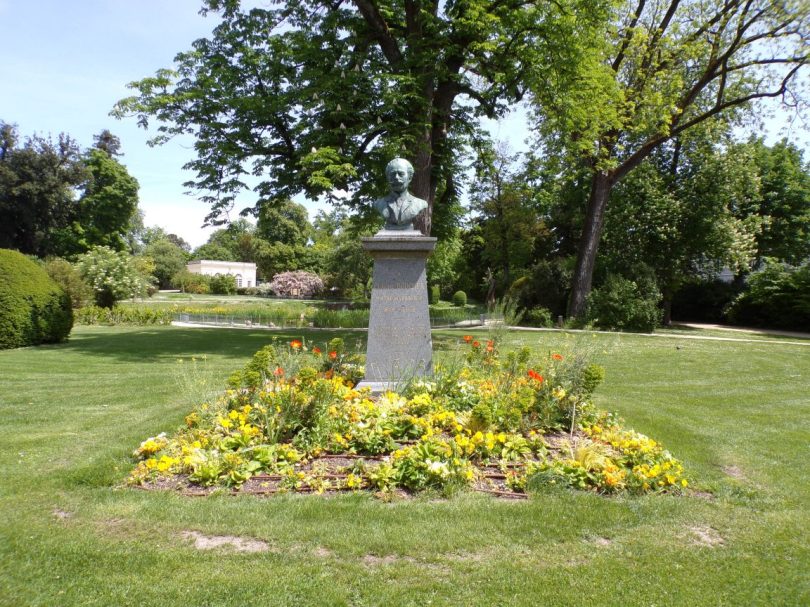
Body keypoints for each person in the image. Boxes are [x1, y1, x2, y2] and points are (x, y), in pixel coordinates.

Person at [373, 158, 428, 231]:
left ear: (409, 178)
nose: (396, 177)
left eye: (401, 174)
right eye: (392, 174)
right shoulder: (379, 204)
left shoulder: (420, 203)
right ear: (388, 178)